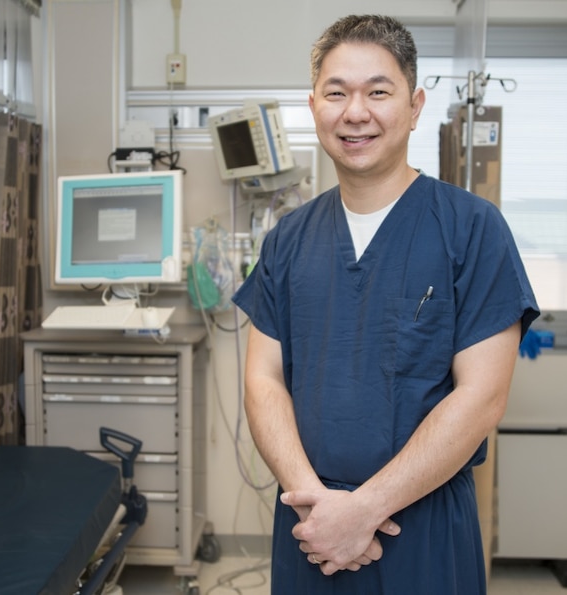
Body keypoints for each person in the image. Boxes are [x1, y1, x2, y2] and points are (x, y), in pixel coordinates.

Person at [231, 14, 540, 594]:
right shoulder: (288, 239)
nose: (356, 112)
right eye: (336, 92)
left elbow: (482, 397)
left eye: (378, 91)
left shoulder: (471, 230)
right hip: (309, 524)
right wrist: (319, 509)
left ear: (415, 104)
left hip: (418, 527)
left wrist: (365, 510)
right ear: (313, 104)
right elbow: (263, 380)